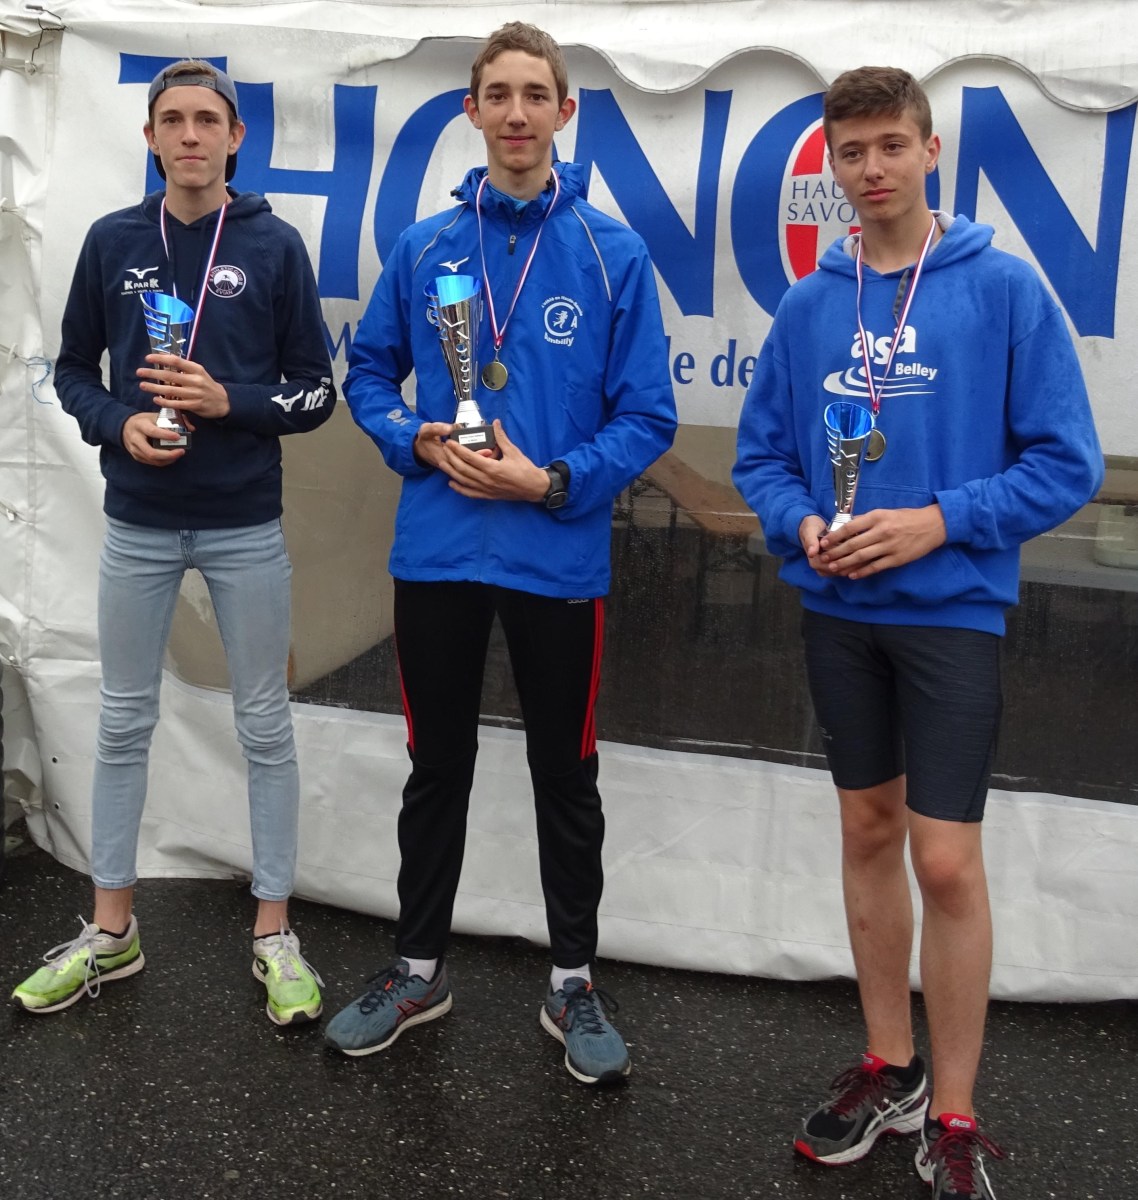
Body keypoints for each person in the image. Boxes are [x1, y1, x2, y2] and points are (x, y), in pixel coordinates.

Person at [733, 67, 1102, 1200]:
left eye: (891, 145)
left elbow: (1067, 463)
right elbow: (761, 456)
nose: (872, 169)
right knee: (865, 830)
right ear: (831, 168)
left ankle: (955, 1111)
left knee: (943, 857)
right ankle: (889, 1067)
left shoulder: (1002, 288)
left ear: (930, 151)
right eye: (851, 152)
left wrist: (940, 521)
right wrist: (801, 522)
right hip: (840, 613)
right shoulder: (810, 304)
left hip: (949, 613)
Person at [326, 21, 676, 1084]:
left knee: (565, 774)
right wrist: (414, 437)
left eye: (535, 95)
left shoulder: (613, 254)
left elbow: (647, 415)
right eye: (498, 95)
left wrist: (553, 481)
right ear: (471, 111)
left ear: (564, 113)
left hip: (555, 557)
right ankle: (417, 969)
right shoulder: (426, 247)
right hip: (438, 552)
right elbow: (370, 374)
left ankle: (572, 981)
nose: (516, 113)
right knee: (436, 769)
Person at [11, 60, 335, 1026]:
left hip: (244, 524)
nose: (190, 135)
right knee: (121, 722)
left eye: (207, 120)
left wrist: (226, 402)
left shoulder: (274, 246)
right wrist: (120, 424)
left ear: (236, 137)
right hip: (139, 525)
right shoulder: (114, 240)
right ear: (151, 138)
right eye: (172, 120)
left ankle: (273, 932)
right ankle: (112, 930)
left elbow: (316, 393)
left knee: (265, 725)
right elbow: (71, 370)